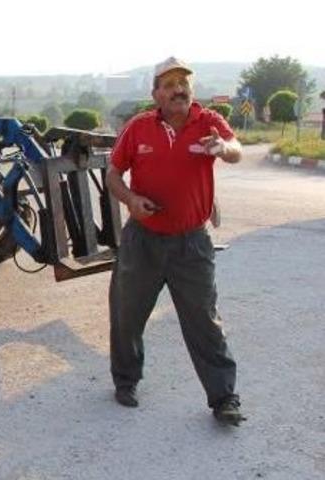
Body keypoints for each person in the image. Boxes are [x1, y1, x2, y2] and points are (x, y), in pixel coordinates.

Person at [106, 57, 245, 426]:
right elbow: (114, 173)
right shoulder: (138, 128)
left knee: (204, 320)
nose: (177, 89)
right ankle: (126, 381)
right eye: (168, 84)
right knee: (127, 315)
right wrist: (131, 201)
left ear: (191, 90)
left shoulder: (208, 122)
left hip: (191, 245)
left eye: (183, 82)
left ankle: (224, 398)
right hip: (143, 240)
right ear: (156, 94)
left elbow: (236, 149)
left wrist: (222, 148)